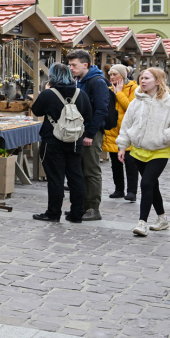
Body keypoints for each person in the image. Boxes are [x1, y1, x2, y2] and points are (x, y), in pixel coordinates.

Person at [116, 67, 170, 236]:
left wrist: (165, 136)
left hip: (160, 150)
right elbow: (126, 125)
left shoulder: (168, 102)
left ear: (158, 81)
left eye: (147, 78)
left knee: (146, 183)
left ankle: (142, 223)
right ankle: (162, 219)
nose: (143, 81)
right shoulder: (136, 101)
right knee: (152, 186)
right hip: (139, 150)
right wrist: (122, 145)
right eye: (142, 78)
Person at [31, 64, 91, 223]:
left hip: (52, 141)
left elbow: (36, 111)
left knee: (55, 179)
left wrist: (46, 90)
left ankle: (53, 213)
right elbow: (88, 115)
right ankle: (77, 213)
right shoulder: (81, 93)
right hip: (75, 142)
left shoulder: (48, 94)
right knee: (76, 177)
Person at [66, 50, 110, 221]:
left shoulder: (97, 82)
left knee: (91, 170)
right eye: (70, 65)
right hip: (79, 130)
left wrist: (90, 133)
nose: (71, 68)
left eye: (74, 65)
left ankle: (93, 208)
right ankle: (82, 207)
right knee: (81, 170)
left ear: (85, 65)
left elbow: (101, 110)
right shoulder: (79, 81)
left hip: (91, 132)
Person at [103, 64, 139, 201]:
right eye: (110, 74)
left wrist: (119, 93)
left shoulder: (134, 88)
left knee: (130, 163)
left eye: (115, 74)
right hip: (113, 131)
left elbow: (131, 108)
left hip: (128, 132)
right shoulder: (108, 89)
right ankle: (119, 189)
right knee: (115, 163)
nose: (112, 77)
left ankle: (132, 192)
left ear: (123, 75)